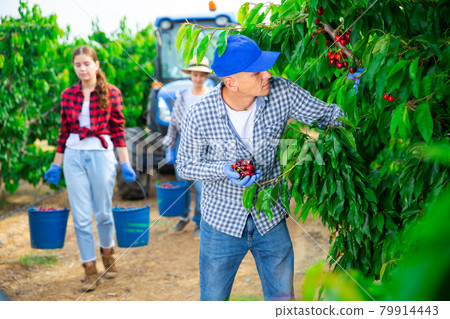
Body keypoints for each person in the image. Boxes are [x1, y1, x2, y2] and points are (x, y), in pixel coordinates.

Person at [176, 35, 344, 301]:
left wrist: (361, 95)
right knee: (213, 300)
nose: (267, 74)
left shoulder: (282, 92)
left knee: (282, 300)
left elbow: (329, 117)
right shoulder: (200, 113)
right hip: (222, 221)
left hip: (270, 217)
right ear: (231, 82)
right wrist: (223, 169)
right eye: (256, 72)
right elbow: (185, 165)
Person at [44, 45, 137, 292]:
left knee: (104, 213)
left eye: (87, 63)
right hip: (74, 156)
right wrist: (57, 164)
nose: (82, 69)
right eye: (78, 65)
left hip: (101, 155)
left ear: (96, 65)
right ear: (74, 67)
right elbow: (64, 132)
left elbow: (117, 130)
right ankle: (89, 269)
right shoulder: (68, 95)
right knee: (82, 217)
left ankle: (107, 251)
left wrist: (124, 162)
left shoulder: (112, 93)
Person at [164, 57, 212, 239]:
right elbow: (174, 124)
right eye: (195, 74)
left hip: (205, 144)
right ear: (190, 75)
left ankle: (199, 222)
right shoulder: (182, 96)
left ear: (206, 76)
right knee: (183, 184)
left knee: (201, 187)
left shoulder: (212, 95)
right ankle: (183, 217)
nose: (198, 78)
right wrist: (169, 145)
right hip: (183, 143)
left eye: (201, 75)